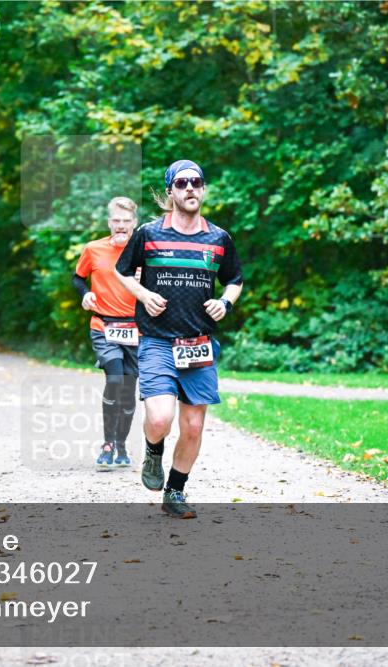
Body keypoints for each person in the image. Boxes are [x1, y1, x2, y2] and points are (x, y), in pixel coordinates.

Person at [114, 160, 243, 519]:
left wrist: (225, 302)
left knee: (193, 425)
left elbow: (235, 279)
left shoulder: (218, 238)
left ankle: (175, 492)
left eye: (197, 182)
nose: (190, 189)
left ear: (203, 189)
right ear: (170, 191)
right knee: (159, 418)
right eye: (182, 183)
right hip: (157, 340)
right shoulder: (148, 233)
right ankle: (153, 452)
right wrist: (142, 295)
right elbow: (121, 272)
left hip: (198, 344)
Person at [73, 196, 140, 471]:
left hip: (136, 330)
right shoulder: (93, 249)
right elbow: (77, 277)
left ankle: (122, 445)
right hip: (104, 326)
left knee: (128, 391)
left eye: (126, 221)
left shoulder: (144, 252)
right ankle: (107, 443)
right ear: (109, 222)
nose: (121, 226)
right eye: (116, 221)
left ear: (134, 223)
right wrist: (85, 293)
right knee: (114, 379)